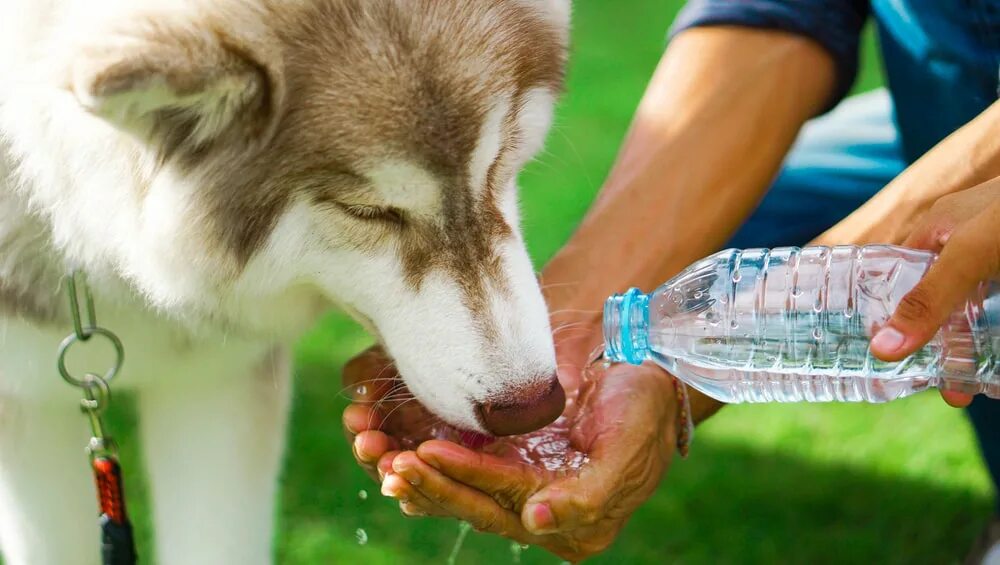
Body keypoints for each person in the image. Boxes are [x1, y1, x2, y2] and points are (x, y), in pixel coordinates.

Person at [342, 1, 1000, 562]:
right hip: (949, 97)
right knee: (745, 220)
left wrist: (845, 275)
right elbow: (787, 10)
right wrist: (583, 324)